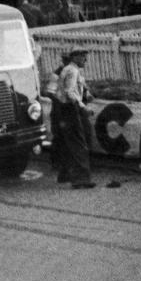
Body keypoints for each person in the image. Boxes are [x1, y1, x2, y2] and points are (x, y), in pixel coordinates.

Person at [54, 47, 97, 189]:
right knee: (79, 144)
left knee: (68, 143)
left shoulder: (68, 69)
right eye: (83, 56)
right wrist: (83, 107)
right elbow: (70, 92)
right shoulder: (72, 71)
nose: (86, 59)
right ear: (75, 57)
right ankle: (81, 179)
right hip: (70, 109)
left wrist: (86, 94)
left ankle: (65, 174)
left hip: (63, 109)